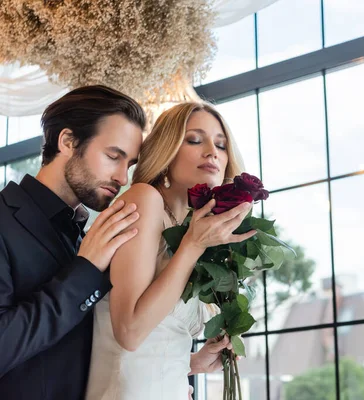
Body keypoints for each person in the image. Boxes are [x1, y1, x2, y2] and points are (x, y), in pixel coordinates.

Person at [86, 101, 255, 399]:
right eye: (194, 139)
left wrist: (192, 363)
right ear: (167, 151)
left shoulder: (190, 230)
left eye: (221, 144)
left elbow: (154, 343)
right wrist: (193, 246)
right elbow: (129, 332)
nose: (212, 152)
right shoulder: (145, 199)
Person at [0, 85, 146, 399]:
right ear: (67, 141)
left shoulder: (88, 237)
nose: (122, 177)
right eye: (113, 156)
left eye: (129, 164)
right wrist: (85, 270)